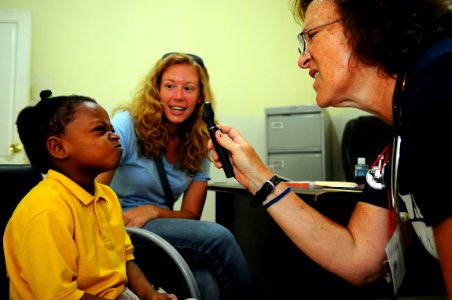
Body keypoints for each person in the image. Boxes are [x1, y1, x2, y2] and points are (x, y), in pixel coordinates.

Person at [208, 0, 452, 298]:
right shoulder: (402, 127)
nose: (303, 59)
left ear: (370, 27)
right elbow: (359, 256)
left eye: (310, 36)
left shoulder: (441, 82)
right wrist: (259, 178)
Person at [96, 53, 260, 300]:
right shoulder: (127, 124)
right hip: (121, 231)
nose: (179, 96)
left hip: (161, 233)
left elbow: (191, 214)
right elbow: (93, 190)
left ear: (200, 97)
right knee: (219, 236)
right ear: (156, 91)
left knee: (205, 284)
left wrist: (154, 210)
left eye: (188, 88)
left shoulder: (202, 138)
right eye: (170, 86)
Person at [4, 90, 177, 300]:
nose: (114, 135)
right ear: (58, 147)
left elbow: (124, 258)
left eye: (112, 129)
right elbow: (59, 296)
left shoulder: (106, 196)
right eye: (100, 130)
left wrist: (150, 295)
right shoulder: (47, 209)